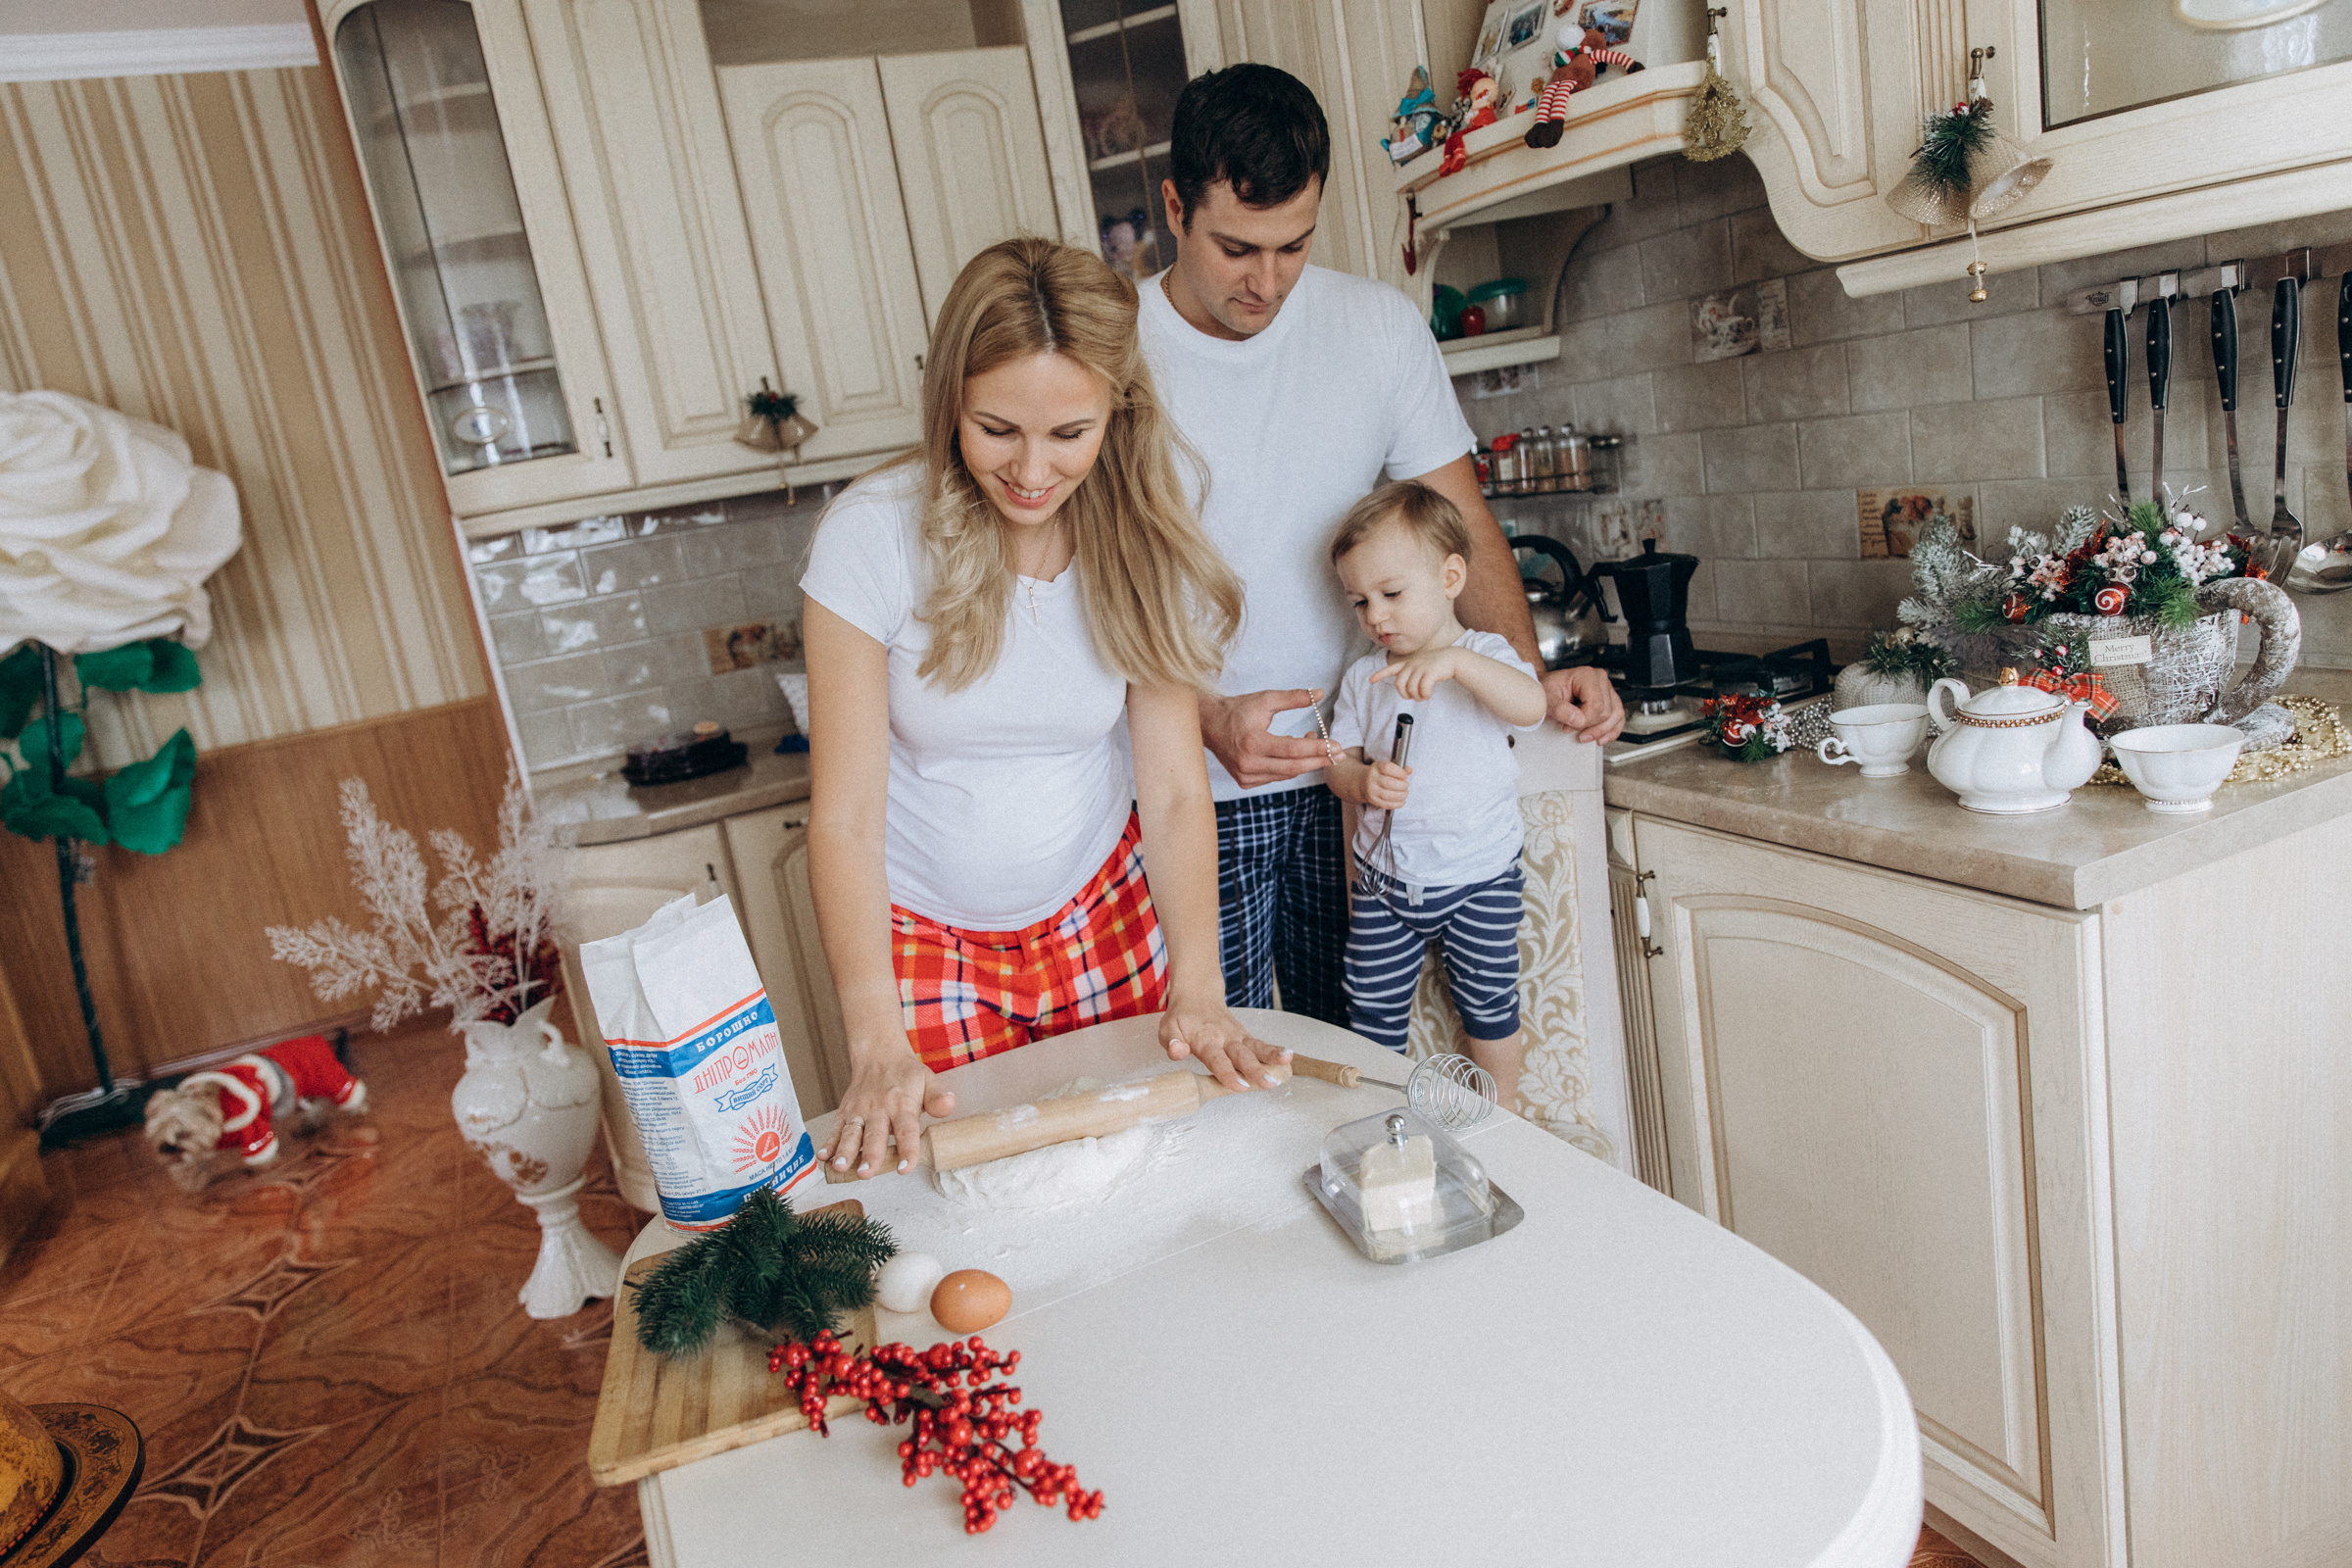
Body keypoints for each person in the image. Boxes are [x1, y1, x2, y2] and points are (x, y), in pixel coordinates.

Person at [1139, 64, 1625, 1028]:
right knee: (1211, 1059)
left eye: (1294, 245)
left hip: (1354, 772)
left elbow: (1464, 528)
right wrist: (1202, 716)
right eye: (1238, 247)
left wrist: (1524, 676)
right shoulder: (1109, 351)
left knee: (1350, 1061)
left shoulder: (1376, 329)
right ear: (1173, 208)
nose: (1268, 281)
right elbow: (1081, 592)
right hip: (1185, 783)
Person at [800, 237, 1287, 1181]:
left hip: (1100, 909)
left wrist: (1200, 983)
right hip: (927, 937)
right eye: (996, 429)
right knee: (981, 1196)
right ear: (949, 401)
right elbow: (847, 819)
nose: (1031, 470)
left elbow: (1177, 790)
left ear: (1117, 411)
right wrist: (873, 1039)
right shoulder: (871, 537)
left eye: (1070, 434)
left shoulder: (1138, 538)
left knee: (1149, 1176)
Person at [1322, 481, 1547, 1106]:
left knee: (1490, 1002)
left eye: (1392, 594)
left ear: (1451, 577)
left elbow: (1530, 707)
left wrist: (1457, 664)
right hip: (1384, 882)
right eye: (1360, 601)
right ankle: (1382, 1112)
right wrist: (1361, 780)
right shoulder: (1365, 676)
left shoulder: (1485, 653)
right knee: (1370, 1007)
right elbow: (1337, 762)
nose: (1376, 616)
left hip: (1480, 876)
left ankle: (1503, 1115)